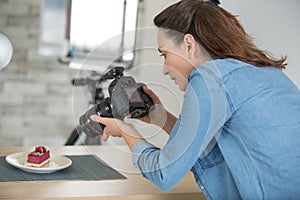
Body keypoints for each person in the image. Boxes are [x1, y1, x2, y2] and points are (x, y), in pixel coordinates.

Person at [91, 0, 300, 199]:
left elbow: (164, 173)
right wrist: (160, 117)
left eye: (164, 54)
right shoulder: (260, 71)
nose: (164, 69)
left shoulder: (210, 78)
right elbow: (206, 151)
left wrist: (126, 131)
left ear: (189, 44)